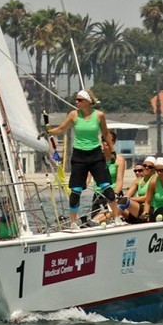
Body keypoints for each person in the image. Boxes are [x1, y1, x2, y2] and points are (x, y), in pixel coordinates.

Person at [46, 89, 118, 227]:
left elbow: (105, 133)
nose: (76, 102)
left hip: (96, 155)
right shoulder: (74, 115)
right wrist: (48, 131)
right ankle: (73, 222)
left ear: (87, 102)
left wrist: (112, 151)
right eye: (76, 100)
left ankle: (117, 218)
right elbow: (61, 129)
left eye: (79, 100)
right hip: (79, 156)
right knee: (76, 190)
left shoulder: (99, 115)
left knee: (106, 187)